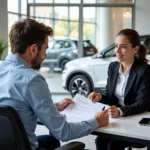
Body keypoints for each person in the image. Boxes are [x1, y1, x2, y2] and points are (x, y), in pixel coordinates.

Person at [0, 18, 109, 150]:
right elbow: (63, 132)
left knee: (50, 141)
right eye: (44, 49)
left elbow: (15, 106)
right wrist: (96, 121)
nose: (45, 54)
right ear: (33, 49)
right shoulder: (32, 80)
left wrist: (53, 107)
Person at [88, 29, 150, 150]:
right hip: (118, 120)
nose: (117, 51)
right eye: (116, 46)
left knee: (113, 146)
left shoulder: (145, 70)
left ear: (135, 49)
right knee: (100, 140)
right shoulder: (113, 67)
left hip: (136, 119)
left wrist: (120, 111)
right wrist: (100, 97)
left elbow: (143, 103)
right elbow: (110, 95)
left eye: (123, 47)